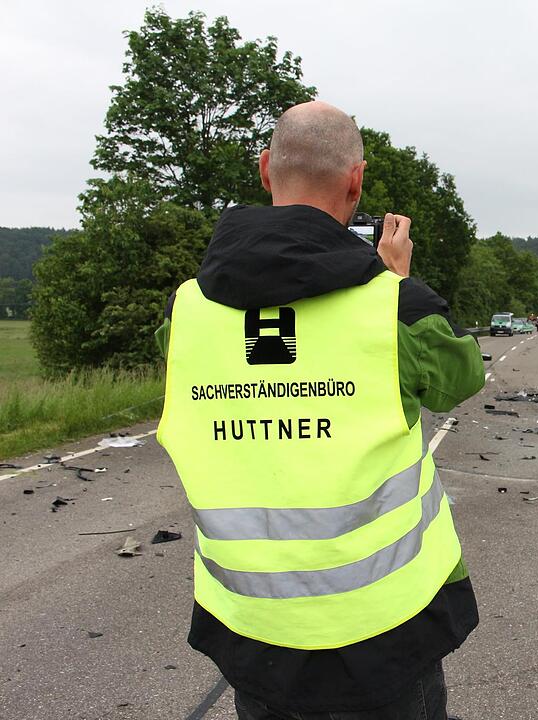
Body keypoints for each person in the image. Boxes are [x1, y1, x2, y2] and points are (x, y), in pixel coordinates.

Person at [154, 101, 484, 720]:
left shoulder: (185, 315)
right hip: (385, 633)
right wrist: (395, 282)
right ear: (356, 181)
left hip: (253, 632)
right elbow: (460, 374)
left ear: (264, 170)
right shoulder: (391, 308)